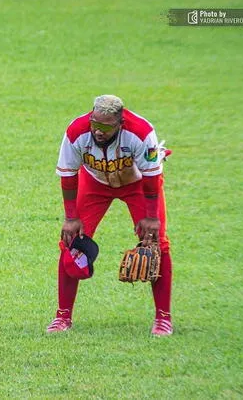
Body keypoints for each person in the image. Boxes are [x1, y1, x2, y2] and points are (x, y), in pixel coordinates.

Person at [47, 95, 173, 336]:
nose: (98, 131)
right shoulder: (76, 132)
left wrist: (151, 217)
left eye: (105, 126)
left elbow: (151, 177)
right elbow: (68, 175)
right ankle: (62, 316)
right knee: (70, 243)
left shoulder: (141, 132)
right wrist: (71, 217)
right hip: (94, 183)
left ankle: (163, 318)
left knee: (157, 244)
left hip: (137, 184)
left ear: (120, 122)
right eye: (95, 123)